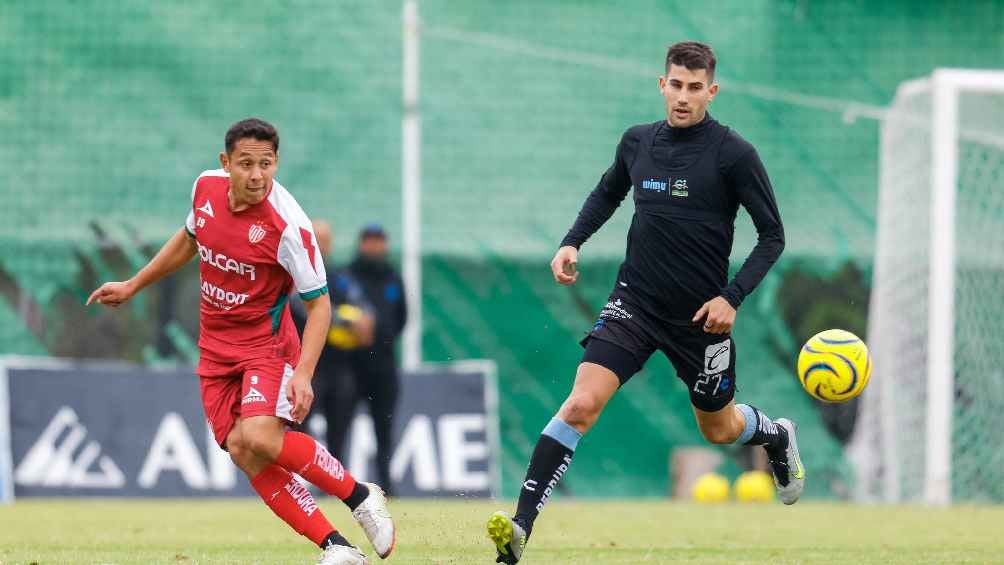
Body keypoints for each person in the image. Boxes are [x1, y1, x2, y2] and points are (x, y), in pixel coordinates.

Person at [486, 42, 803, 563]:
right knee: (580, 404)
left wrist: (731, 297)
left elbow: (773, 236)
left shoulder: (734, 154)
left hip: (702, 320)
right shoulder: (637, 142)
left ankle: (775, 434)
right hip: (634, 304)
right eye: (675, 85)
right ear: (662, 85)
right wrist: (572, 241)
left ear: (712, 92)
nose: (683, 97)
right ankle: (519, 527)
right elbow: (607, 192)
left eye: (695, 88)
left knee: (719, 428)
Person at [87, 118, 394, 565]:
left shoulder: (289, 228)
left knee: (260, 437)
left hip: (267, 347)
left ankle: (360, 495)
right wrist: (134, 284)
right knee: (241, 450)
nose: (256, 175)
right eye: (246, 164)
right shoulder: (205, 189)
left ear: (276, 164)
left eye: (265, 164)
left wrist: (303, 374)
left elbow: (320, 307)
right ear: (225, 162)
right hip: (215, 347)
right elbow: (189, 240)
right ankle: (337, 547)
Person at [290, 219, 375, 461]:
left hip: (339, 366)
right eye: (315, 239)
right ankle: (299, 477)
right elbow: (302, 307)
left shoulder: (340, 278)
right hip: (305, 368)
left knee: (339, 431)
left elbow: (365, 312)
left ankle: (336, 478)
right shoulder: (292, 275)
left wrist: (365, 321)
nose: (320, 246)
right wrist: (346, 322)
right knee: (298, 430)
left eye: (324, 241)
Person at [345, 224, 407, 496]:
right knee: (340, 426)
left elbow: (402, 317)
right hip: (350, 365)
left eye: (378, 241)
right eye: (369, 241)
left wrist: (383, 339)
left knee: (384, 427)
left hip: (384, 367)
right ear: (361, 244)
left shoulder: (393, 277)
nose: (374, 246)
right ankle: (336, 483)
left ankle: (386, 484)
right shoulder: (346, 276)